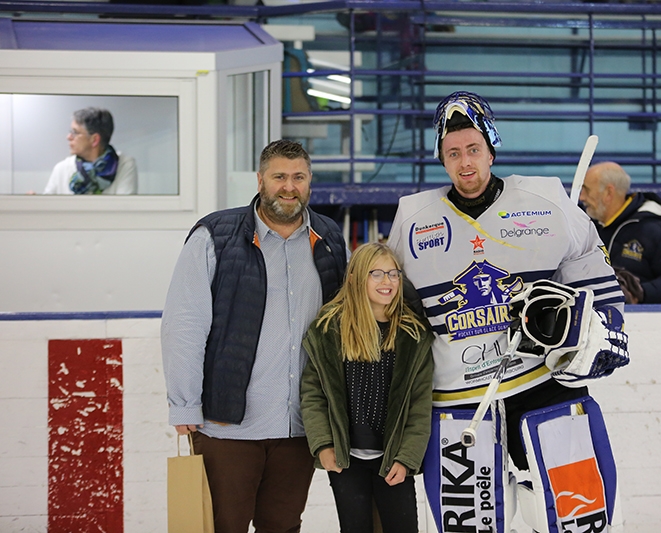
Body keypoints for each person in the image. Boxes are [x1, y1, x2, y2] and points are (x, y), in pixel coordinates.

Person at [386, 91, 628, 531]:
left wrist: (605, 325)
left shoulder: (546, 200)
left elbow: (588, 256)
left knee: (579, 517)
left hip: (543, 383)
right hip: (459, 400)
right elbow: (392, 301)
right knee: (473, 527)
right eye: (453, 153)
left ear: (491, 149)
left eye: (473, 150)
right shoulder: (413, 220)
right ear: (441, 159)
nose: (465, 163)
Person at [161, 139, 348, 533]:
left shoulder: (328, 237)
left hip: (299, 427)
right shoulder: (215, 236)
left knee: (282, 527)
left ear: (309, 181)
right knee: (222, 526)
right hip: (228, 426)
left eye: (298, 177)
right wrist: (184, 404)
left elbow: (340, 326)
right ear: (260, 180)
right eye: (279, 176)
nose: (289, 186)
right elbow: (184, 323)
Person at [300, 242, 434, 533]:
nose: (387, 282)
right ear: (356, 278)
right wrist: (323, 444)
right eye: (376, 274)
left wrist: (407, 458)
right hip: (345, 460)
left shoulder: (413, 335)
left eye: (393, 273)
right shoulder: (328, 330)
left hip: (393, 458)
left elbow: (420, 405)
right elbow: (313, 394)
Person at [580, 161, 661, 304]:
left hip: (655, 321)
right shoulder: (589, 229)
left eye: (586, 190)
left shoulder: (654, 230)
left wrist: (639, 292)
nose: (582, 197)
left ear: (608, 192)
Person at [43, 107, 138, 195]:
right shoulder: (62, 169)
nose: (68, 137)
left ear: (94, 140)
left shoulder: (124, 165)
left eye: (75, 132)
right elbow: (46, 207)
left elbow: (124, 208)